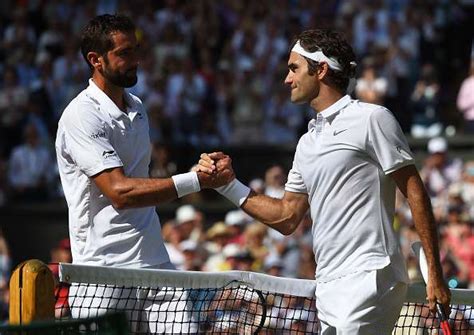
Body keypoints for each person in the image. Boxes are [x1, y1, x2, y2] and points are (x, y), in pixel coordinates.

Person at [196, 29, 451, 334]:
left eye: (294, 68)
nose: (286, 80)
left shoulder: (372, 118)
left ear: (321, 70)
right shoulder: (306, 143)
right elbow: (287, 216)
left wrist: (434, 272)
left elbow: (414, 190)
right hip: (327, 285)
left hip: (371, 275)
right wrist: (227, 184)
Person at [54, 14, 233, 332]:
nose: (135, 60)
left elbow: (142, 180)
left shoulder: (137, 106)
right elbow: (120, 192)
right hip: (102, 273)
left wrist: (194, 172)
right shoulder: (81, 115)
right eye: (124, 53)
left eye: (136, 50)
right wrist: (195, 181)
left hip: (154, 265)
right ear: (96, 60)